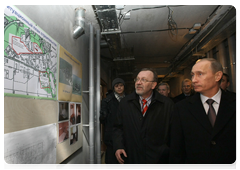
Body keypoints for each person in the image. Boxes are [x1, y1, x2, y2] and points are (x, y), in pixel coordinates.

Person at [169, 58, 238, 169]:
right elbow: (177, 149)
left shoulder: (236, 103)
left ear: (218, 76)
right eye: (192, 75)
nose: (194, 80)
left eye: (200, 74)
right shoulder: (182, 108)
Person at [113, 68, 174, 168]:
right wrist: (118, 146)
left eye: (144, 80)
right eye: (137, 79)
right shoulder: (125, 103)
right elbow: (117, 128)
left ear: (153, 85)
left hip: (158, 161)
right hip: (131, 159)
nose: (138, 83)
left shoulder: (167, 105)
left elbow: (173, 133)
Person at [100, 78, 126, 169]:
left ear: (124, 86)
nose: (119, 88)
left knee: (124, 162)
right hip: (111, 137)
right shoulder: (107, 101)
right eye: (116, 86)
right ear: (114, 88)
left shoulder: (129, 100)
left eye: (121, 85)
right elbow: (102, 120)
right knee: (112, 163)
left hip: (126, 135)